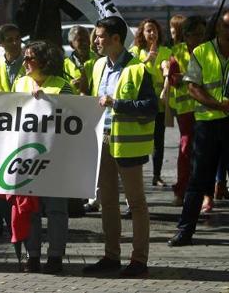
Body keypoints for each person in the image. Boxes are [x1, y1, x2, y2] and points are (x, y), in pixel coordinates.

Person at [83, 16, 157, 278]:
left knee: (136, 203)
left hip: (128, 146)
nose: (96, 40)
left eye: (101, 36)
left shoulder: (138, 69)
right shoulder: (98, 66)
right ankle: (111, 256)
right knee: (108, 202)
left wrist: (117, 104)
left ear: (116, 39)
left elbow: (151, 108)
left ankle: (139, 260)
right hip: (103, 142)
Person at [168, 11, 229, 247]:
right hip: (208, 125)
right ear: (218, 29)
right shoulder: (203, 52)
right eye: (226, 26)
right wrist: (218, 105)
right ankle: (185, 231)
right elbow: (192, 87)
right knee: (198, 180)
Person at [13, 41, 72, 274]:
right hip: (26, 157)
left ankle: (56, 256)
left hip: (56, 157)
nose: (25, 63)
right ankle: (33, 255)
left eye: (30, 58)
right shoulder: (19, 84)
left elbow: (72, 118)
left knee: (57, 209)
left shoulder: (62, 86)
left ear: (44, 62)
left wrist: (48, 101)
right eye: (24, 58)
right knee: (31, 209)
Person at [0, 23, 24, 236]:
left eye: (17, 38)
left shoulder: (29, 62)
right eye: (9, 39)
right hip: (0, 128)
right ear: (1, 44)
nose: (15, 42)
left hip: (23, 128)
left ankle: (17, 221)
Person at [166, 15, 203, 207]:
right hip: (186, 109)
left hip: (207, 107)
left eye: (202, 35)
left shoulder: (208, 50)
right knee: (186, 148)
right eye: (195, 34)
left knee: (207, 150)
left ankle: (208, 192)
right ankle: (181, 190)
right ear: (186, 35)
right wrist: (188, 77)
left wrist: (185, 77)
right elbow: (172, 78)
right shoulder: (177, 50)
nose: (199, 38)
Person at [129, 19, 171, 187]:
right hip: (140, 103)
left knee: (158, 141)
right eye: (148, 30)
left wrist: (164, 91)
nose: (152, 33)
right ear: (142, 33)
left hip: (158, 103)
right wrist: (146, 59)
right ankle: (137, 176)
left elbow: (168, 73)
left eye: (154, 30)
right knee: (138, 140)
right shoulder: (135, 52)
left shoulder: (166, 51)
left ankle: (157, 175)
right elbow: (130, 72)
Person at [64, 25, 96, 95]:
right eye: (80, 40)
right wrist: (72, 86)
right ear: (71, 44)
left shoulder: (98, 60)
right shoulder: (64, 65)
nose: (85, 43)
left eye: (87, 39)